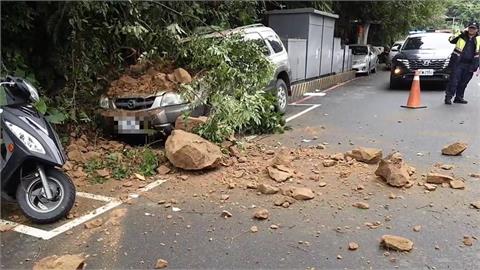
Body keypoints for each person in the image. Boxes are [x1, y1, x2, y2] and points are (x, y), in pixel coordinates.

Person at [445, 22, 480, 105]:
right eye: (470, 28)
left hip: (470, 64)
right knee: (454, 81)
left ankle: (459, 98)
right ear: (467, 28)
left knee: (464, 82)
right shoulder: (461, 36)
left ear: (477, 30)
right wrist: (460, 32)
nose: (471, 30)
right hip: (458, 63)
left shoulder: (479, 39)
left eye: (474, 28)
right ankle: (448, 97)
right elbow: (451, 40)